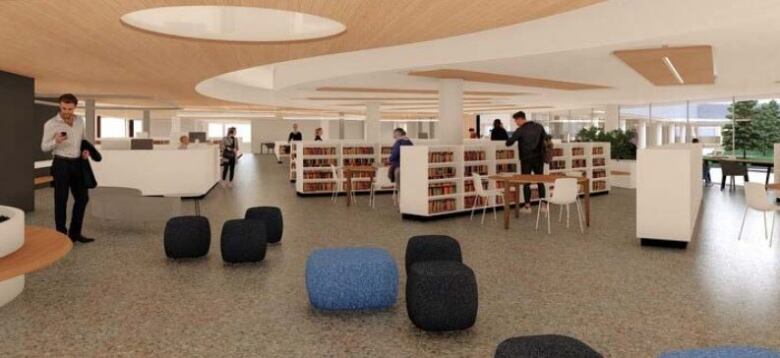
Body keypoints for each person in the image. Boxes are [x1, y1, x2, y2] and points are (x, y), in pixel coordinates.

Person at [40, 93, 94, 243]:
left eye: (70, 109)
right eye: (64, 108)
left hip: (78, 164)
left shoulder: (80, 121)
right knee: (61, 200)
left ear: (75, 107)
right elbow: (44, 147)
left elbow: (83, 139)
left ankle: (75, 234)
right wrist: (55, 141)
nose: (66, 111)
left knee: (83, 198)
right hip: (61, 164)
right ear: (60, 106)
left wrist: (85, 150)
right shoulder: (50, 124)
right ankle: (61, 237)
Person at [506, 110, 548, 214]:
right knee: (540, 181)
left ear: (520, 119)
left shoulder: (520, 130)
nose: (516, 123)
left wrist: (512, 138)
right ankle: (543, 205)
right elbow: (546, 138)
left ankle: (527, 206)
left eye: (516, 120)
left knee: (526, 183)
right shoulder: (539, 126)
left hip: (526, 159)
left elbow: (509, 143)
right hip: (539, 158)